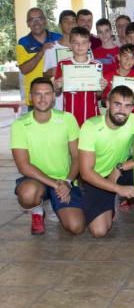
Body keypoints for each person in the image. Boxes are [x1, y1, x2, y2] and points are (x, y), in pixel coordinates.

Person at [11, 77, 85, 235]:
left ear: (53, 96)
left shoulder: (67, 119)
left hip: (64, 180)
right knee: (28, 194)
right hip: (36, 180)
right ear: (30, 97)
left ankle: (58, 204)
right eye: (38, 94)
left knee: (76, 227)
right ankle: (37, 211)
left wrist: (67, 182)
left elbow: (77, 157)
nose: (42, 99)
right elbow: (23, 166)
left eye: (47, 94)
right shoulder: (20, 125)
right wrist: (55, 184)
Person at [78, 85, 134, 238]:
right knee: (99, 231)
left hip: (120, 171)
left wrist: (121, 167)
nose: (122, 110)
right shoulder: (90, 126)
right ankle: (107, 201)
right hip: (97, 178)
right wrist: (118, 189)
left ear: (133, 108)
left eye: (127, 106)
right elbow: (86, 173)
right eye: (117, 104)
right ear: (108, 104)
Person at [53, 27, 107, 126]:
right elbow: (57, 93)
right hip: (70, 117)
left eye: (84, 42)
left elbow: (98, 95)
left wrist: (101, 88)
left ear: (89, 45)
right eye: (75, 42)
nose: (79, 46)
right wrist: (56, 86)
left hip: (92, 118)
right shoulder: (62, 64)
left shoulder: (97, 65)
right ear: (70, 45)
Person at [17, 7, 62, 106]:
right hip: (34, 98)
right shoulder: (23, 42)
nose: (36, 22)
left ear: (45, 21)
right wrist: (42, 51)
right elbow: (24, 69)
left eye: (39, 18)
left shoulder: (58, 38)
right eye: (32, 19)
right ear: (28, 23)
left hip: (57, 98)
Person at [101, 44, 134, 124]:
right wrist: (110, 95)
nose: (128, 60)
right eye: (125, 56)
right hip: (116, 118)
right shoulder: (107, 77)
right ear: (118, 57)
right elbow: (103, 101)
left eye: (132, 58)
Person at [43, 10, 77, 81]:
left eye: (73, 21)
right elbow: (44, 75)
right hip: (59, 91)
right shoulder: (51, 48)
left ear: (76, 25)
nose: (70, 24)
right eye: (66, 21)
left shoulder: (84, 47)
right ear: (60, 25)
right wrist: (51, 73)